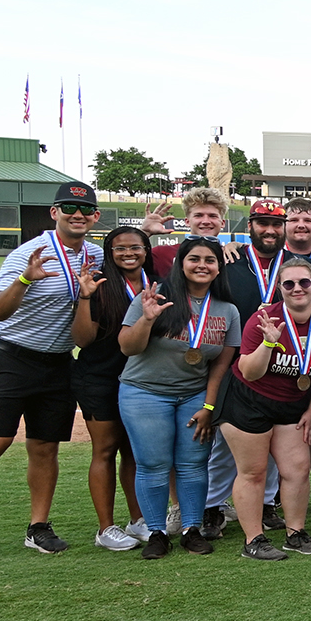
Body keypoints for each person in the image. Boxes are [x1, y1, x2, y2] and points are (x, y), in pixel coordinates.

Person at [0, 181, 104, 562]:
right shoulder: (29, 253)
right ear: (54, 213)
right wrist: (27, 279)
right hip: (12, 358)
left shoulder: (94, 255)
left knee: (45, 447)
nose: (76, 215)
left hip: (59, 363)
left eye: (84, 210)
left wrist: (144, 231)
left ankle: (38, 526)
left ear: (95, 217)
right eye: (68, 208)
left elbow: (130, 254)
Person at [116, 238, 241, 560]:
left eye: (210, 260)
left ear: (218, 267)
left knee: (193, 465)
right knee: (153, 464)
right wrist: (146, 318)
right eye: (194, 259)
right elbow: (128, 348)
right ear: (181, 264)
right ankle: (157, 532)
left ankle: (191, 530)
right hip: (145, 392)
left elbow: (220, 367)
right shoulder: (157, 298)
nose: (202, 265)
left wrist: (209, 407)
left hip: (194, 394)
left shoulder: (228, 310)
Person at [221, 257, 311, 560]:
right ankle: (254, 540)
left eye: (304, 282)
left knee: (298, 469)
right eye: (289, 283)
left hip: (292, 404)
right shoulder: (264, 320)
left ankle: (295, 533)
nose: (297, 288)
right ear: (280, 288)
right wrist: (269, 344)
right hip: (249, 400)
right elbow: (249, 371)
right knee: (254, 471)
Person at [204, 198, 302, 539]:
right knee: (225, 443)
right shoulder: (230, 259)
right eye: (263, 223)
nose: (270, 230)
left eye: (277, 224)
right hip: (235, 363)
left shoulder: (295, 266)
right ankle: (213, 507)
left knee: (274, 441)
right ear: (251, 227)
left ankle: (267, 503)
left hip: (280, 364)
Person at [71, 226, 155, 550]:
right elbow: (82, 340)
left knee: (134, 452)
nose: (128, 253)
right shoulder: (100, 284)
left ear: (146, 250)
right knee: (105, 450)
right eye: (119, 249)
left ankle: (137, 520)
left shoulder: (155, 282)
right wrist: (85, 296)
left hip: (139, 379)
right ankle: (105, 528)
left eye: (135, 247)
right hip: (99, 378)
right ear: (109, 252)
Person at [140, 187, 229, 276]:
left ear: (223, 223)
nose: (206, 221)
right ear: (187, 222)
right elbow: (129, 263)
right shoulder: (163, 254)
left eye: (212, 216)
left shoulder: (232, 255)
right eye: (198, 215)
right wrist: (144, 232)